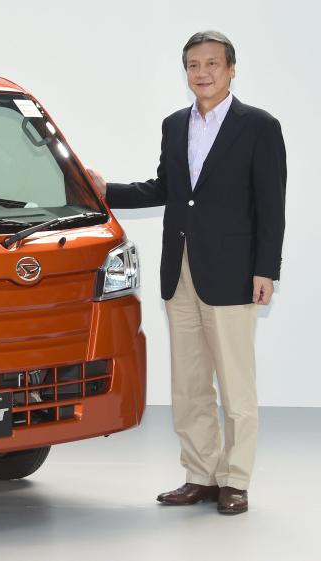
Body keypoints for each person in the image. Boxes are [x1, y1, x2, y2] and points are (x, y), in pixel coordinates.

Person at [87, 30, 286, 515]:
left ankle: (235, 480)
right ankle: (201, 474)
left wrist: (266, 269)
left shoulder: (259, 126)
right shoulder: (174, 125)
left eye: (213, 64)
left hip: (234, 271)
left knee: (236, 385)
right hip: (181, 271)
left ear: (231, 69)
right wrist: (105, 189)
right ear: (186, 72)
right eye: (194, 65)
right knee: (189, 383)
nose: (203, 73)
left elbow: (271, 205)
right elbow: (166, 189)